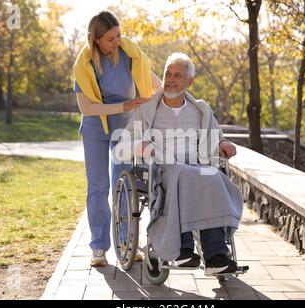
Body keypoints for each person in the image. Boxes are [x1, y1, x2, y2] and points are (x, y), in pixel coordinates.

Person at [114, 53, 243, 275]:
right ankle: (182, 250)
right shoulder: (146, 110)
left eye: (178, 75)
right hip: (161, 170)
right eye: (167, 74)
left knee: (213, 176)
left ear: (189, 82)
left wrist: (222, 142)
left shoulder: (201, 110)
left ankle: (216, 256)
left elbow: (216, 135)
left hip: (196, 166)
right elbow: (121, 148)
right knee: (183, 175)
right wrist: (141, 146)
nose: (171, 80)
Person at [73, 11, 162, 267]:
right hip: (95, 128)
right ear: (96, 39)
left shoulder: (130, 55)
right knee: (98, 187)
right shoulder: (85, 63)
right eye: (111, 38)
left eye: (119, 35)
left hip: (124, 130)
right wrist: (124, 106)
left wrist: (175, 95)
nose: (117, 41)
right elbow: (86, 108)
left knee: (123, 185)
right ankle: (99, 248)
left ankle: (127, 245)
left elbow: (156, 85)